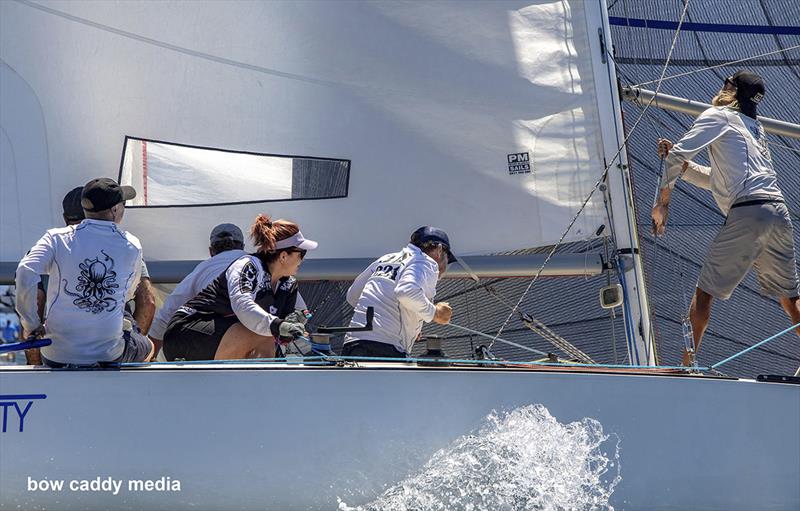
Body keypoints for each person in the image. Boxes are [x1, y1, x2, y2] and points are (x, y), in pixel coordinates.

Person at [652, 70, 800, 366]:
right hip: (777, 211)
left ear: (730, 91)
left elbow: (676, 156)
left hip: (749, 211)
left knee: (705, 294)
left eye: (725, 84)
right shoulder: (755, 127)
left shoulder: (718, 114)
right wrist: (683, 165)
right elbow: (717, 179)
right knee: (791, 300)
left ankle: (686, 368)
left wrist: (662, 203)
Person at [15, 177, 154, 367]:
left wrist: (31, 326)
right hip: (108, 355)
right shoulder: (131, 245)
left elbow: (25, 270)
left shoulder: (55, 238)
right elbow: (131, 294)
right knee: (148, 346)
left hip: (56, 354)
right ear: (115, 210)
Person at [162, 215, 315, 361]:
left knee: (269, 336)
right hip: (185, 332)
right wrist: (279, 326)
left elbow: (288, 327)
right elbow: (243, 306)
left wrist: (295, 322)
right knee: (265, 336)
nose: (303, 259)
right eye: (301, 253)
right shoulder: (248, 265)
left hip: (222, 335)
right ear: (283, 256)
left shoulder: (288, 285)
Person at [342, 226, 454, 358]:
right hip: (386, 348)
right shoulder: (425, 261)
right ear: (439, 250)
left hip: (352, 345)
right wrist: (435, 313)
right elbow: (406, 291)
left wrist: (409, 326)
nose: (446, 265)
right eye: (448, 258)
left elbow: (353, 296)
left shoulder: (386, 259)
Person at [148, 223, 248, 356]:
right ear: (242, 247)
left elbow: (167, 314)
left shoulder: (203, 269)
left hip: (203, 341)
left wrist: (150, 357)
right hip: (245, 337)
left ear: (211, 251)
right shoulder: (257, 263)